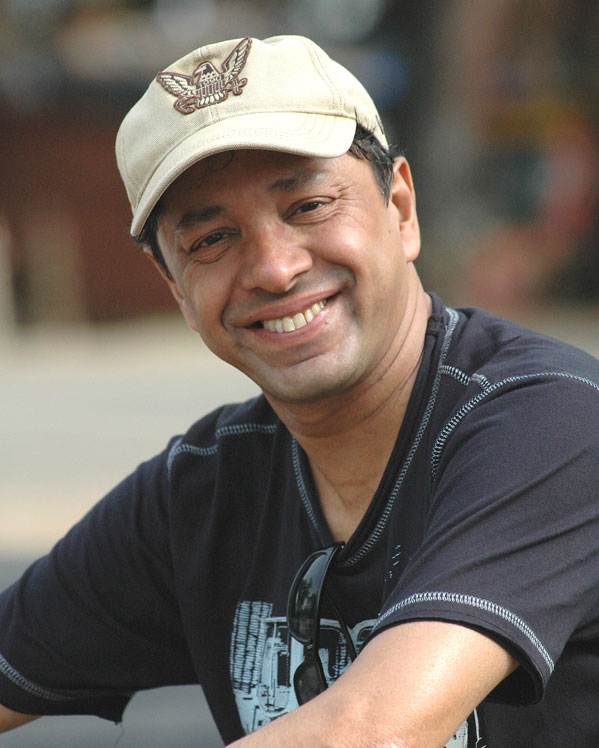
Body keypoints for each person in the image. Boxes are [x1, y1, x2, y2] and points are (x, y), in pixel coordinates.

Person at [0, 34, 598, 748]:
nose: (275, 269)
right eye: (211, 240)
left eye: (309, 205)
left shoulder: (553, 422)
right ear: (177, 289)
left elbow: (374, 731)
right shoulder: (206, 491)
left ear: (401, 208)